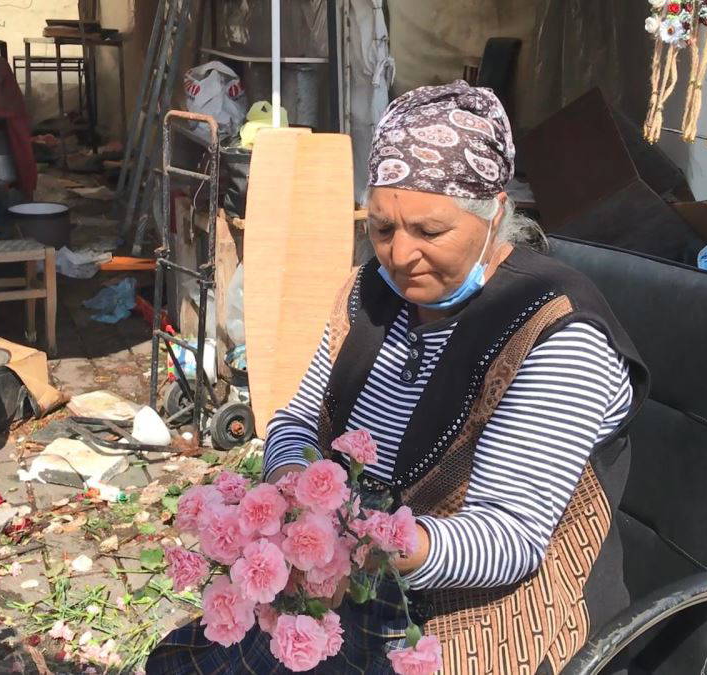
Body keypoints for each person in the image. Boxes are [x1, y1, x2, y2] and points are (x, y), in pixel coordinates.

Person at [147, 81, 648, 674]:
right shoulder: (371, 296)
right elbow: (300, 418)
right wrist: (291, 494)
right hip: (356, 581)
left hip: (479, 619)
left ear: (496, 215)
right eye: (383, 229)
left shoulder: (557, 335)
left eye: (430, 232)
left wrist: (365, 542)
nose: (400, 255)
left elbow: (507, 539)